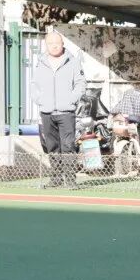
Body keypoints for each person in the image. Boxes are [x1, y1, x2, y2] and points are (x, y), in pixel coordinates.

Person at [30, 32, 86, 189]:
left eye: (57, 43)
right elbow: (34, 85)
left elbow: (81, 84)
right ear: (46, 45)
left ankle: (70, 180)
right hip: (46, 112)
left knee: (68, 146)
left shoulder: (73, 62)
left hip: (66, 112)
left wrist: (72, 100)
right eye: (50, 43)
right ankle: (55, 179)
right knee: (52, 147)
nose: (54, 46)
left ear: (62, 44)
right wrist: (39, 100)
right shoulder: (40, 62)